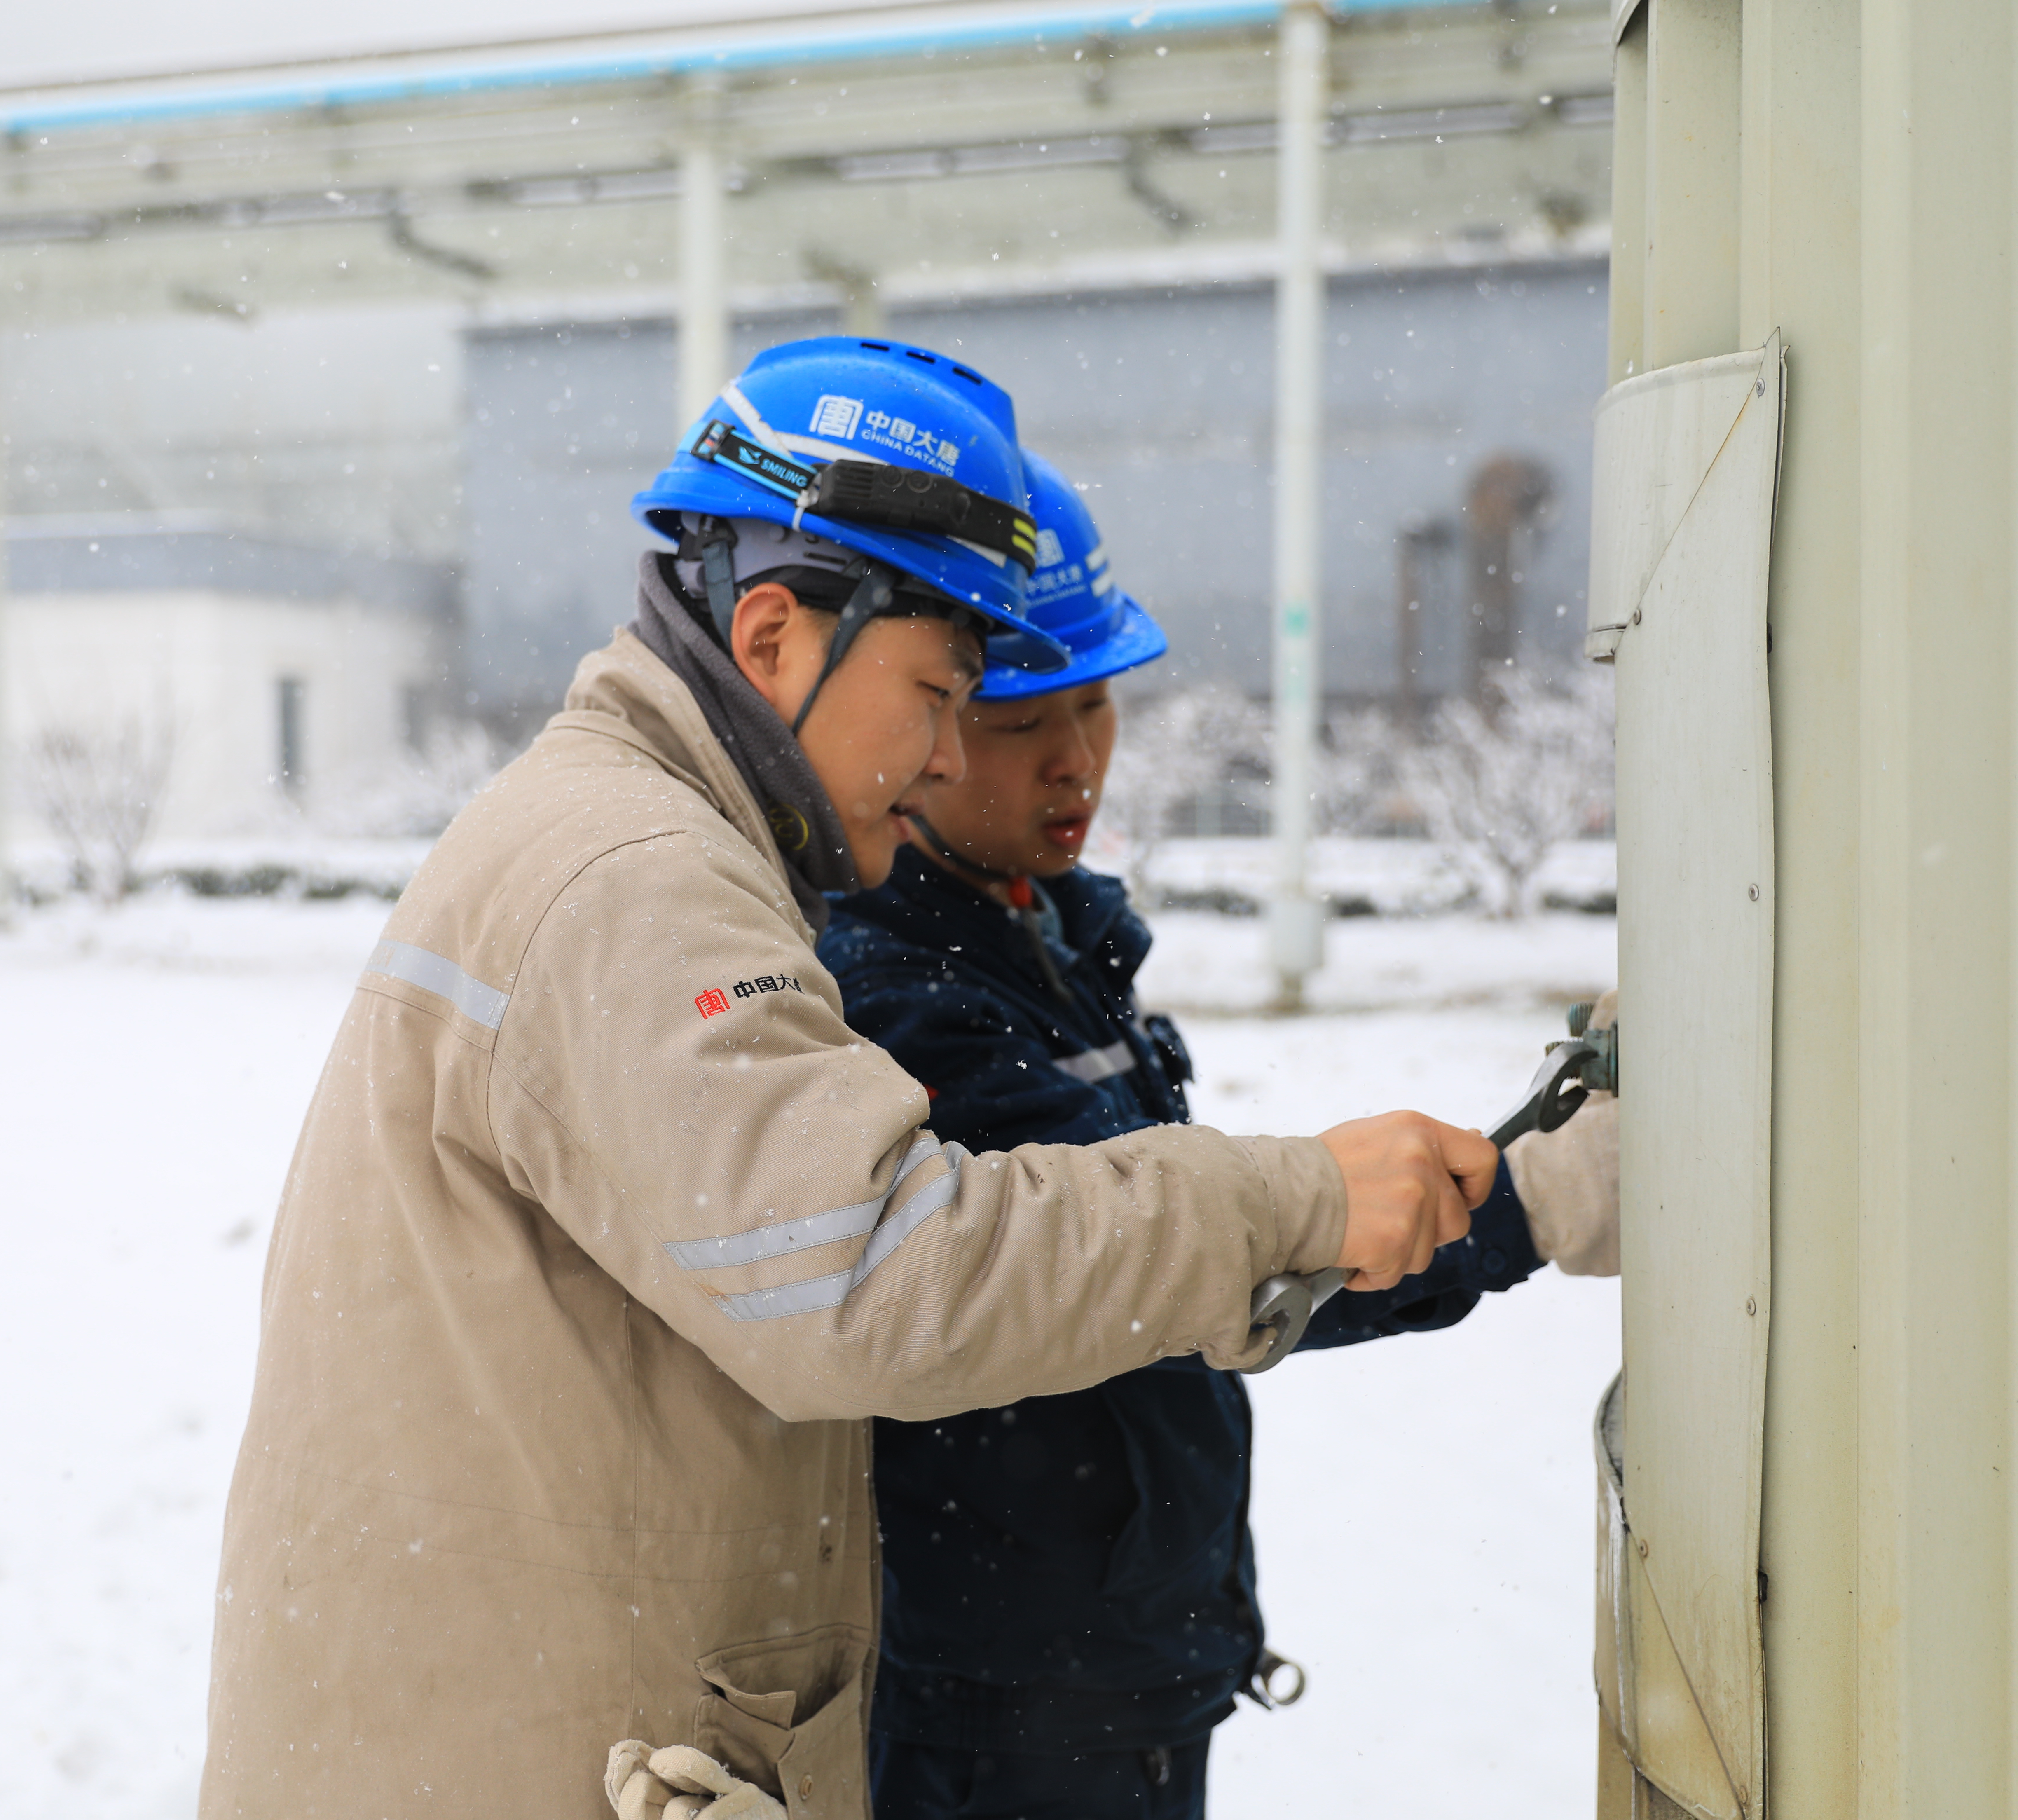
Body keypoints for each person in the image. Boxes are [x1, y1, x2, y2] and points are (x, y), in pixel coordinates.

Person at [199, 337, 1511, 1820]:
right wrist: (1292, 1200)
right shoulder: (641, 883)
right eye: (947, 694)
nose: (954, 749)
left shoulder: (648, 840)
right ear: (772, 638)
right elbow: (870, 1270)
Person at [816, 451, 1622, 1820]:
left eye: (1099, 703)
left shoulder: (1045, 934)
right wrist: (1525, 1205)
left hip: (1103, 1654)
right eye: (1021, 721)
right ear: (933, 727)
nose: (1080, 758)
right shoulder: (897, 996)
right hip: (1002, 1701)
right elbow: (1176, 1273)